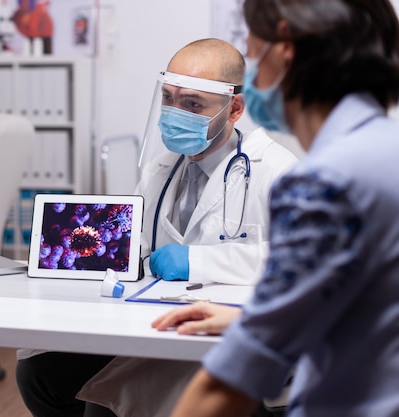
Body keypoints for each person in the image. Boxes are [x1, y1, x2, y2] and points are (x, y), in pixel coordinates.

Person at [15, 38, 298, 417]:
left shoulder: (277, 172)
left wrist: (196, 262)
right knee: (40, 372)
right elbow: (140, 250)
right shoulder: (161, 169)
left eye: (192, 104)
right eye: (168, 98)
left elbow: (299, 268)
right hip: (160, 326)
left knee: (105, 403)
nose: (175, 112)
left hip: (236, 342)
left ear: (234, 109)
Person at [164, 1, 399, 416]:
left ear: (284, 51)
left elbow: (231, 383)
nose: (250, 71)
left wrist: (256, 332)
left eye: (252, 52)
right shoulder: (385, 152)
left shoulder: (324, 183)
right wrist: (254, 318)